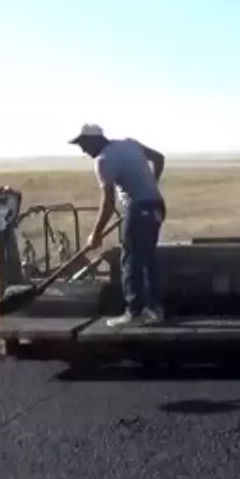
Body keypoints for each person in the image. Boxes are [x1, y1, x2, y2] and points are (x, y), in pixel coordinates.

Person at [70, 124, 167, 327]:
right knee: (147, 259)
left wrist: (96, 234)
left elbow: (108, 201)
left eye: (84, 144)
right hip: (156, 205)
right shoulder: (130, 144)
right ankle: (154, 310)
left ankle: (134, 313)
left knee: (131, 260)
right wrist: (152, 184)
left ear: (95, 140)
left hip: (138, 208)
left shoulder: (103, 160)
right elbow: (159, 158)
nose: (83, 150)